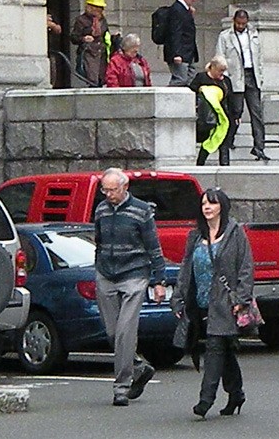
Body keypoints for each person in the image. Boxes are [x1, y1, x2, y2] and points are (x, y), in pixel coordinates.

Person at [170, 187, 254, 418]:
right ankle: (236, 393)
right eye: (204, 203)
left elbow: (246, 268)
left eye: (212, 203)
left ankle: (205, 399)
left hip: (225, 302)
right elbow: (186, 268)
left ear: (222, 207)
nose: (207, 207)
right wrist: (178, 298)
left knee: (214, 347)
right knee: (225, 350)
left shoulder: (235, 233)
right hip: (200, 301)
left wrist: (241, 298)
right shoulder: (195, 235)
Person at [94, 168, 167, 407]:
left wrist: (159, 281)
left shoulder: (141, 210)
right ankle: (138, 365)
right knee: (113, 333)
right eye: (105, 189)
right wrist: (98, 268)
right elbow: (99, 242)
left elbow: (154, 247)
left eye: (113, 190)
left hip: (134, 274)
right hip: (106, 274)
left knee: (125, 331)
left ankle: (121, 387)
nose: (108, 194)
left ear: (125, 188)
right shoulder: (102, 209)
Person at [215, 9, 269, 160]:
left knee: (256, 112)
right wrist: (223, 79)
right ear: (234, 21)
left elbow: (259, 57)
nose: (240, 26)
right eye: (238, 23)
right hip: (235, 77)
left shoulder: (254, 34)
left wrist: (261, 75)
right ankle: (228, 140)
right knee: (236, 112)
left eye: (243, 23)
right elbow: (219, 57)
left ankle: (259, 147)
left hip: (252, 75)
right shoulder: (225, 36)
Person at [189, 56, 240, 166]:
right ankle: (200, 163)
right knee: (209, 141)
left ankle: (225, 165)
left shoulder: (226, 81)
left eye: (224, 71)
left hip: (223, 115)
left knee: (224, 142)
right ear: (212, 67)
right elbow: (191, 93)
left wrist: (236, 114)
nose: (222, 73)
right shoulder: (201, 77)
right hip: (207, 116)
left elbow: (231, 98)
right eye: (220, 70)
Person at [71, 0, 111, 86]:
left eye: (100, 8)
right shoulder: (81, 20)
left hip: (102, 53)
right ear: (89, 7)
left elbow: (106, 34)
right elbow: (74, 37)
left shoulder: (102, 20)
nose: (98, 10)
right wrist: (84, 38)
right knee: (92, 79)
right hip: (89, 53)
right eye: (96, 7)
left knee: (102, 78)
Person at [164, 0, 199, 86]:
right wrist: (176, 54)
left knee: (190, 79)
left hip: (189, 53)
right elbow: (175, 32)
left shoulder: (185, 10)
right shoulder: (177, 10)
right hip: (180, 53)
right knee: (181, 79)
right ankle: (167, 98)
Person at [47, 12, 63, 87]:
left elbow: (58, 30)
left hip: (51, 50)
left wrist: (52, 25)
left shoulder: (52, 14)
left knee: (53, 71)